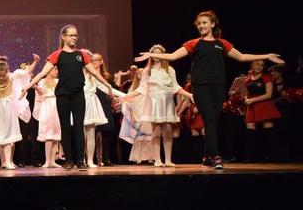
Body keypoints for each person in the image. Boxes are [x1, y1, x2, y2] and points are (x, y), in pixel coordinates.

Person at [135, 10, 284, 169]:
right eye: (199, 24)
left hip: (218, 86)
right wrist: (150, 54)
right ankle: (216, 157)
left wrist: (266, 56)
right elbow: (173, 56)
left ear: (212, 24)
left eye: (204, 23)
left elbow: (241, 56)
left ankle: (207, 156)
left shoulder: (221, 43)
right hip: (200, 87)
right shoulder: (193, 43)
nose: (201, 26)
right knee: (209, 120)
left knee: (212, 121)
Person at [21, 24, 112, 171]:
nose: (74, 37)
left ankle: (80, 161)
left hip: (78, 95)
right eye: (71, 35)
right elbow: (42, 74)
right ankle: (69, 161)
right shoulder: (57, 55)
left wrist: (108, 85)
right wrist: (27, 87)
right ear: (63, 37)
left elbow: (95, 73)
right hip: (63, 96)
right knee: (65, 128)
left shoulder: (82, 55)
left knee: (79, 127)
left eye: (76, 35)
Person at [122, 45, 194, 167]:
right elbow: (142, 88)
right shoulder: (147, 71)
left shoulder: (170, 70)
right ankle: (157, 160)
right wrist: (125, 96)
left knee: (168, 131)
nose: (156, 55)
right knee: (156, 133)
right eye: (154, 53)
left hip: (166, 102)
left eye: (159, 53)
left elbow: (175, 87)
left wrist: (189, 95)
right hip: (154, 103)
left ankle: (168, 160)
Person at [243, 60, 281, 161]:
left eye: (262, 65)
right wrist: (246, 99)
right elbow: (247, 92)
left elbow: (268, 95)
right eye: (257, 64)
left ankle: (274, 156)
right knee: (250, 132)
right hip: (252, 106)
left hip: (264, 105)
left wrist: (252, 100)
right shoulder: (248, 78)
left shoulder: (266, 77)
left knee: (269, 132)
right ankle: (250, 157)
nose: (259, 67)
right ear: (252, 65)